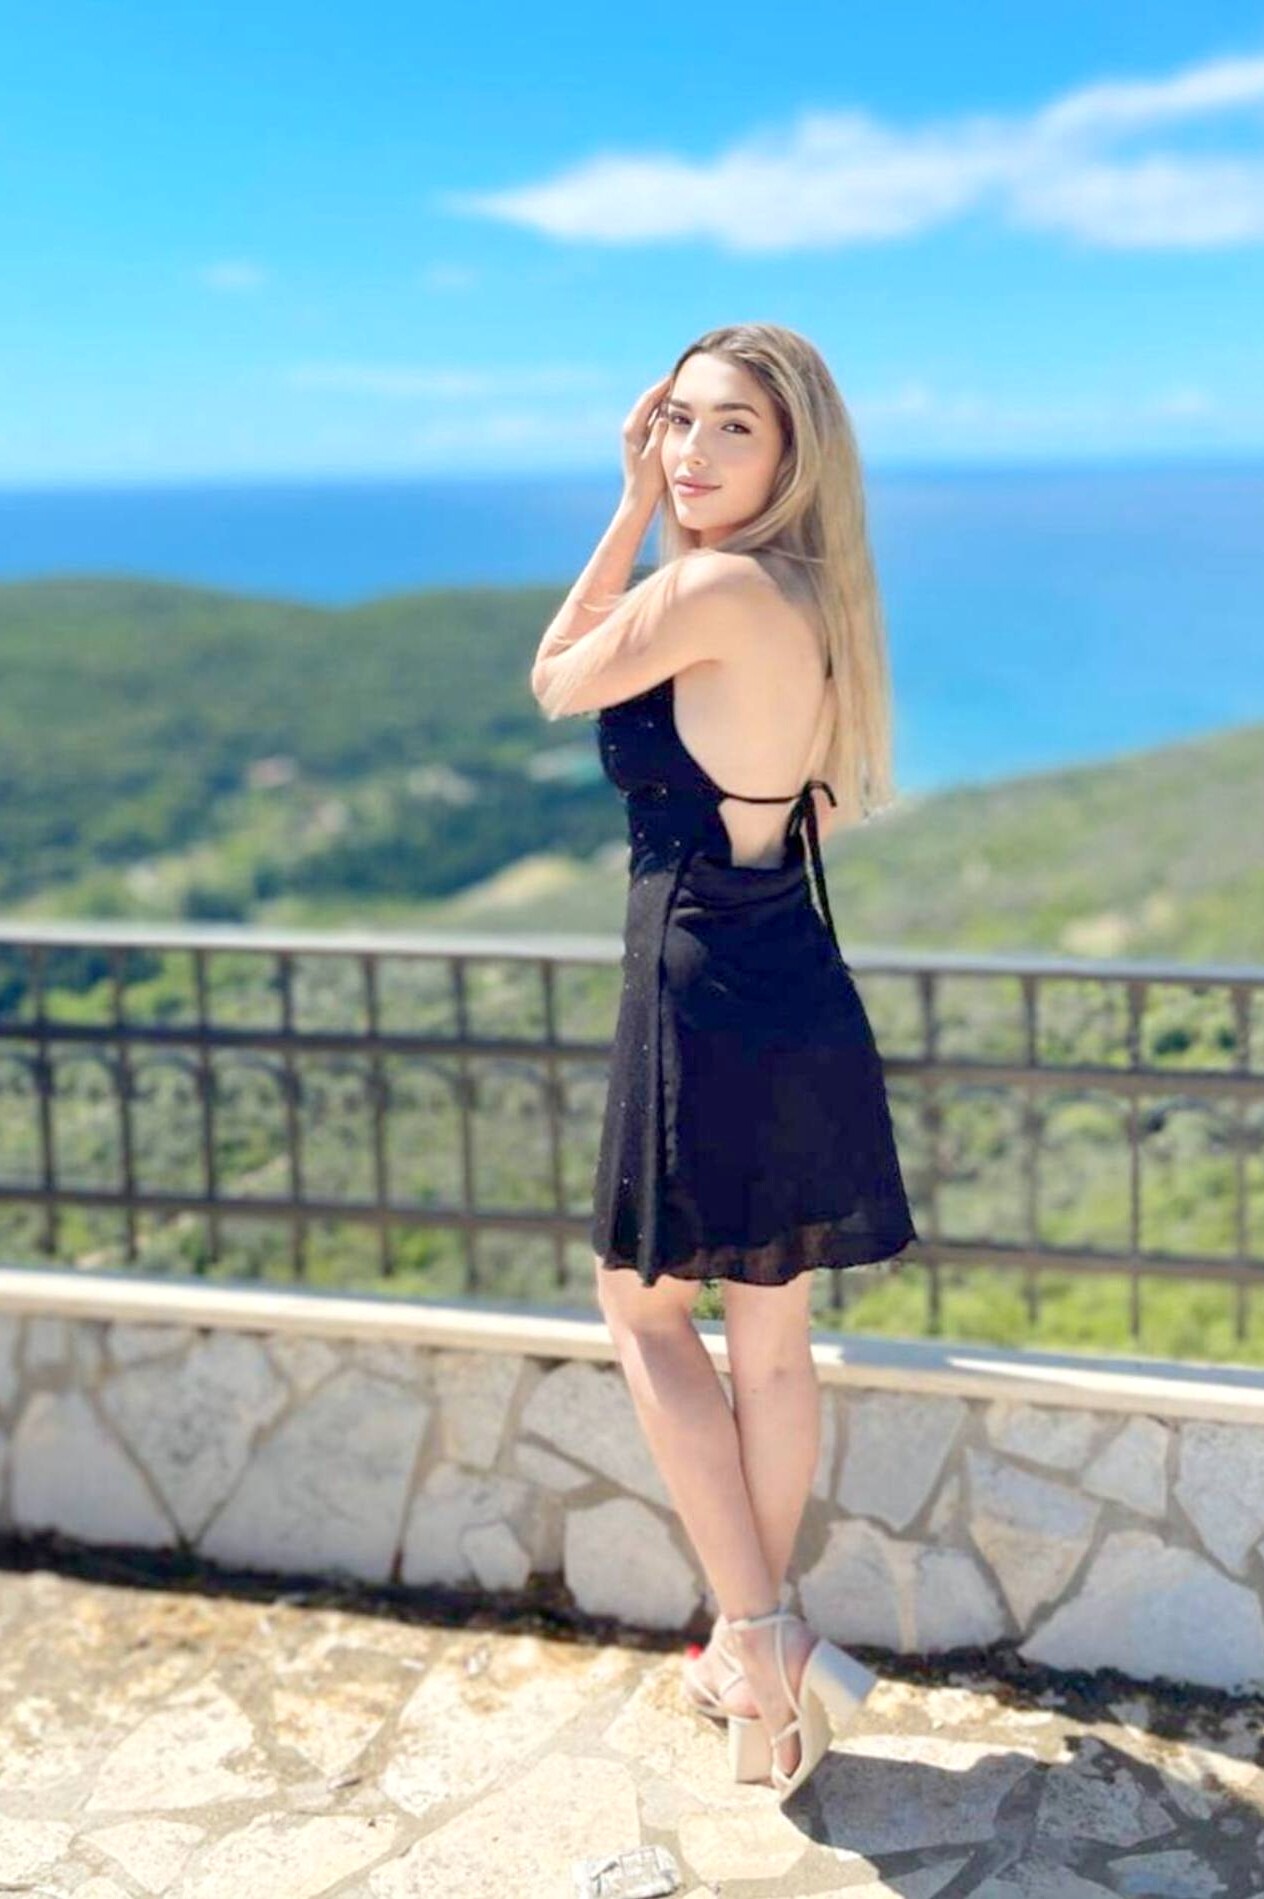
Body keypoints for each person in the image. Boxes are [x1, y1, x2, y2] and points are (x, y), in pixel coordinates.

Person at [530, 323, 920, 1802]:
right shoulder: (822, 599)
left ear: (792, 453)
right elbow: (824, 806)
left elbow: (557, 676)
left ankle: (761, 1638)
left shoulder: (705, 588)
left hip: (697, 980)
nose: (691, 452)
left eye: (730, 429)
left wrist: (628, 505)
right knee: (768, 1337)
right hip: (795, 973)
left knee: (640, 1314)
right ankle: (751, 1659)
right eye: (676, 424)